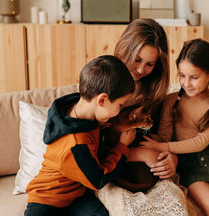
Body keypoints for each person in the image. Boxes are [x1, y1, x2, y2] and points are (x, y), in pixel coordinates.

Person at [140, 39, 209, 216]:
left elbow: (202, 141)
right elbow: (164, 136)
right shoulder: (171, 100)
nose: (186, 83)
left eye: (194, 77)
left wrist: (163, 147)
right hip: (188, 163)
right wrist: (150, 143)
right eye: (182, 75)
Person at [24, 55, 136, 216]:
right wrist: (122, 146)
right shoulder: (76, 144)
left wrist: (99, 125)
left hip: (76, 194)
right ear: (102, 100)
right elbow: (98, 180)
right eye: (120, 104)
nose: (120, 110)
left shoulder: (78, 110)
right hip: (47, 199)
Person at [113, 18, 178, 178]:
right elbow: (95, 150)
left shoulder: (155, 95)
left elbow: (164, 141)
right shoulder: (103, 85)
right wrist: (140, 154)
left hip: (145, 171)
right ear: (124, 51)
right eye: (137, 60)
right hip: (111, 168)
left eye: (150, 64)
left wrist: (173, 159)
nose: (141, 70)